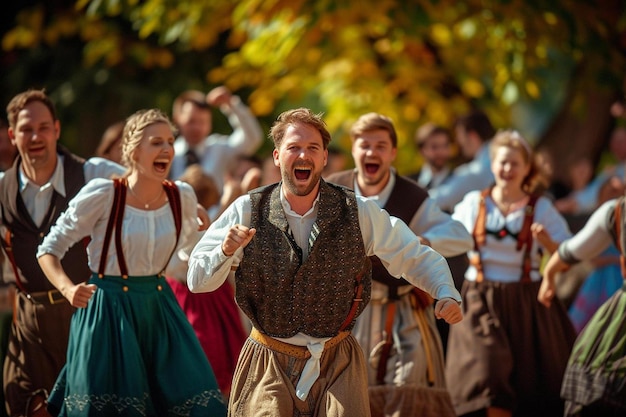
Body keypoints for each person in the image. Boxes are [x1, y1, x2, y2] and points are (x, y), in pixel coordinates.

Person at [187, 108, 464, 417]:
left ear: (324, 158)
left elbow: (411, 254)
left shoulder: (357, 211)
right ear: (277, 156)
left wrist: (445, 291)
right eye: (294, 147)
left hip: (337, 363)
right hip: (268, 361)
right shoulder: (247, 209)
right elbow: (197, 281)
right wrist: (224, 251)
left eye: (312, 148)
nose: (303, 154)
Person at [36, 108, 227, 416]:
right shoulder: (104, 194)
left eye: (169, 141)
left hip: (160, 310)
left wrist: (220, 245)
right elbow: (48, 249)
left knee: (195, 404)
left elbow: (188, 262)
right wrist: (68, 289)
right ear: (132, 149)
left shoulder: (183, 196)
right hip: (107, 313)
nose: (166, 148)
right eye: (156, 142)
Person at [325, 112, 473, 417]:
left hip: (403, 313)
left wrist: (426, 241)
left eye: (381, 146)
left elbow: (460, 235)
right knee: (348, 399)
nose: (372, 152)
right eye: (365, 145)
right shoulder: (332, 190)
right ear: (354, 149)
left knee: (408, 390)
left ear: (392, 153)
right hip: (348, 315)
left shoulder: (412, 195)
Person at [0, 89, 126, 417]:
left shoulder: (93, 173)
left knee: (92, 407)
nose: (36, 136)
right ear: (13, 135)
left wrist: (188, 201)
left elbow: (145, 189)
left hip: (87, 313)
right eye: (27, 129)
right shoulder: (1, 188)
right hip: (29, 320)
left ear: (56, 130)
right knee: (26, 406)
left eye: (43, 127)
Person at [446, 130, 576, 417]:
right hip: (480, 299)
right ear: (492, 164)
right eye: (502, 162)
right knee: (488, 375)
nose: (507, 169)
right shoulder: (473, 204)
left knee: (529, 384)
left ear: (527, 167)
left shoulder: (541, 208)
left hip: (527, 301)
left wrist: (550, 245)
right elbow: (446, 236)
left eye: (515, 163)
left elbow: (567, 258)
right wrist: (421, 243)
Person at [538, 195, 626, 416]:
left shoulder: (616, 210)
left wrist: (550, 274)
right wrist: (549, 274)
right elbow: (571, 252)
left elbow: (571, 252)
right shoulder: (616, 212)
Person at [166, 163, 247, 396]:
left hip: (202, 294)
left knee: (209, 350)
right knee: (213, 348)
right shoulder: (185, 223)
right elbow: (192, 254)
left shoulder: (199, 219)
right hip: (192, 295)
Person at [168, 86, 263, 194]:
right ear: (177, 119)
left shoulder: (220, 149)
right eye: (191, 121)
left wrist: (230, 104)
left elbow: (253, 138)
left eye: (203, 122)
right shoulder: (169, 154)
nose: (197, 128)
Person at [429, 110, 496, 212]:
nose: (459, 143)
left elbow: (442, 197)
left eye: (461, 136)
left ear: (472, 136)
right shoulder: (503, 156)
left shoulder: (477, 171)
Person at [409, 122, 453, 189]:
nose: (440, 151)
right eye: (434, 147)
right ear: (422, 150)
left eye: (445, 146)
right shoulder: (409, 184)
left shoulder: (460, 180)